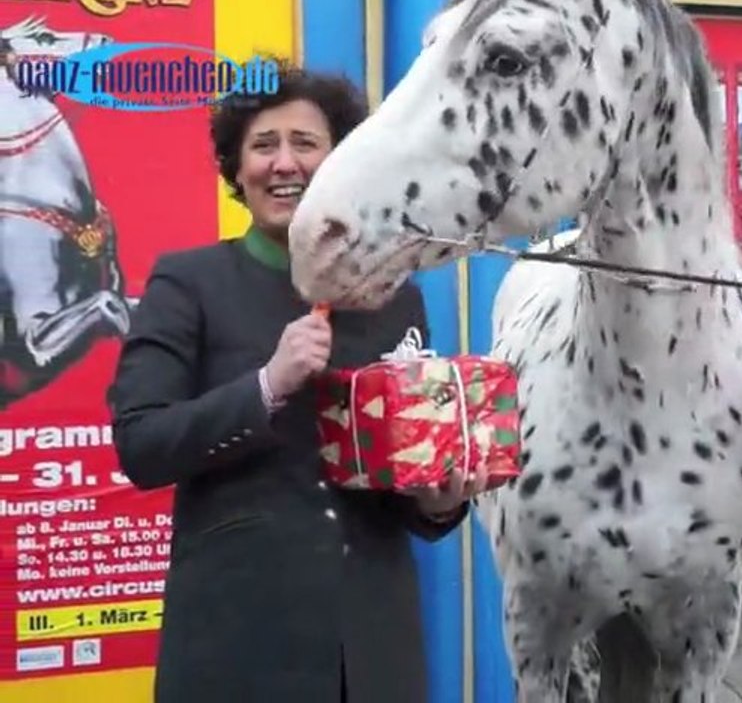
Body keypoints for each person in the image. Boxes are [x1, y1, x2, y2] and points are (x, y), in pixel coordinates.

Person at [107, 60, 487, 703]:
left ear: (339, 163)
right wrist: (266, 385)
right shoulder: (188, 283)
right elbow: (141, 445)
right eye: (264, 145)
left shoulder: (392, 296)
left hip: (374, 655)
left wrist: (438, 501)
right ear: (236, 169)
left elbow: (404, 485)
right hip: (237, 653)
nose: (285, 163)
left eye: (306, 144)